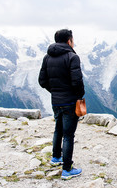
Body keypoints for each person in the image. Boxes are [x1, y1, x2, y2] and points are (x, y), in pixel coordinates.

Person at [38, 29, 85, 180]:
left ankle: (56, 158)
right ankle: (67, 169)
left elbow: (42, 81)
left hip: (56, 101)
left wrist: (55, 91)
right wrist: (79, 96)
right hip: (70, 101)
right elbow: (77, 81)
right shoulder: (72, 57)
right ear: (68, 41)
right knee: (69, 135)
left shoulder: (47, 57)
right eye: (72, 39)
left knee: (58, 129)